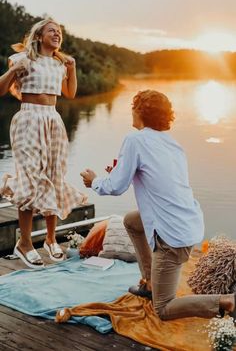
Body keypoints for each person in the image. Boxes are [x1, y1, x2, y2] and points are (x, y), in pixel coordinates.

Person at [80, 89, 236, 321]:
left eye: (133, 107)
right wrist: (122, 173)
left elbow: (114, 187)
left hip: (172, 236)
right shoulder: (173, 145)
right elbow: (159, 182)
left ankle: (226, 301)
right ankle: (150, 282)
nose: (131, 112)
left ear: (141, 111)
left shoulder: (135, 139)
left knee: (163, 308)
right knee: (132, 221)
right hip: (188, 223)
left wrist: (94, 182)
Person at [0, 19, 86, 269]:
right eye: (52, 30)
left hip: (53, 120)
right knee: (29, 178)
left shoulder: (59, 63)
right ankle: (24, 243)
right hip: (29, 118)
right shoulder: (21, 59)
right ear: (38, 36)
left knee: (54, 176)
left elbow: (69, 93)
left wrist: (73, 68)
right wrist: (15, 71)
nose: (57, 34)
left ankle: (50, 240)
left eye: (59, 32)